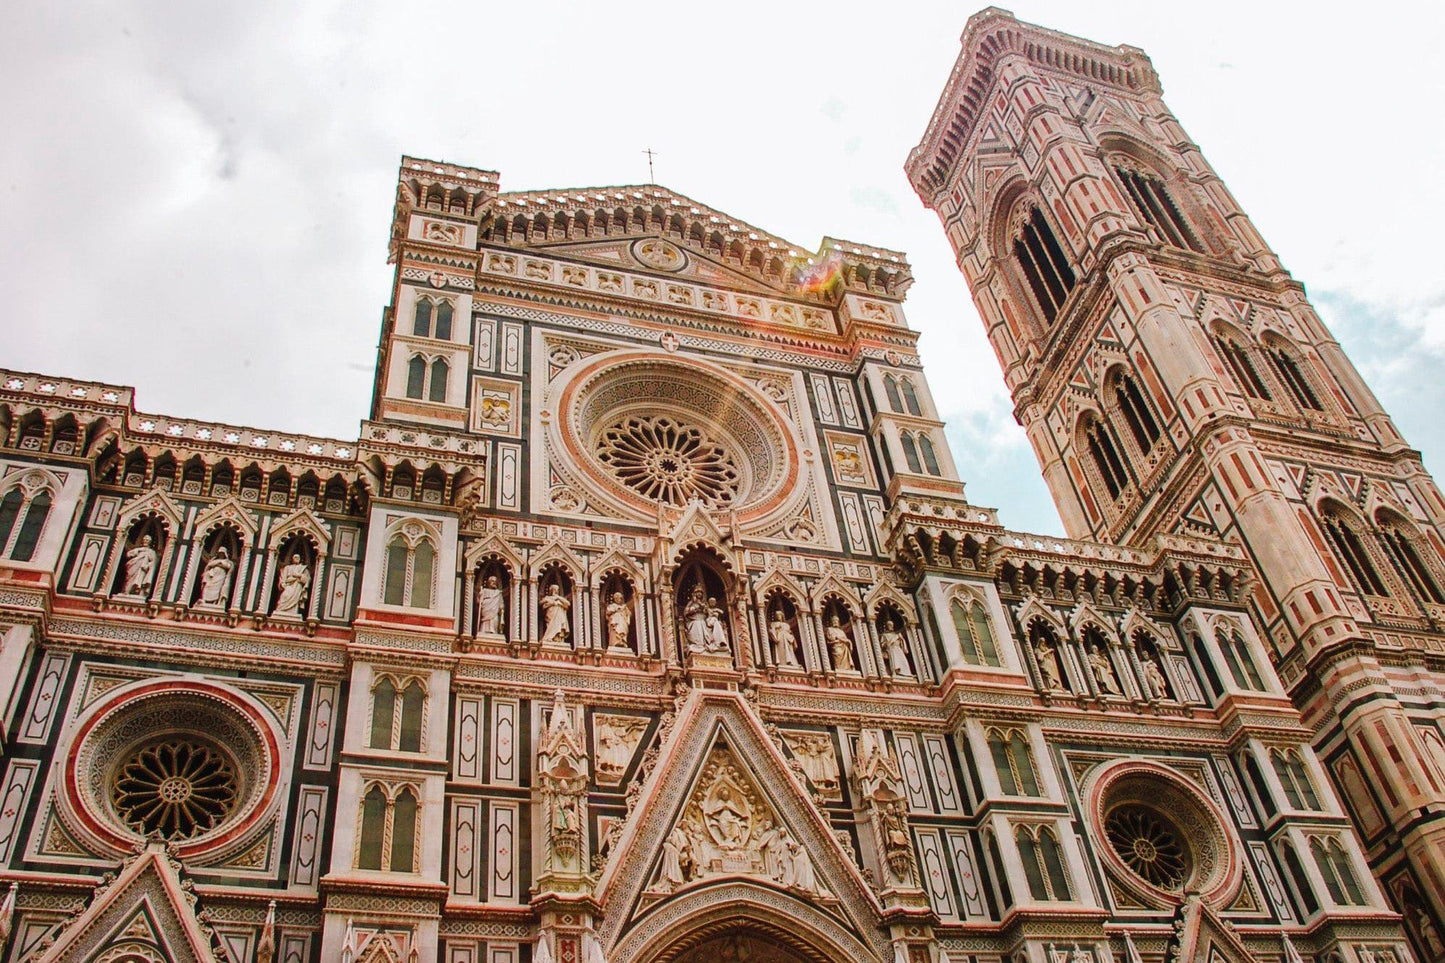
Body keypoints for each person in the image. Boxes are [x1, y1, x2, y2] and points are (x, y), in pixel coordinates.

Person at [682, 585, 709, 652]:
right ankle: (698, 644)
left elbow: (708, 612)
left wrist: (705, 609)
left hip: (703, 620)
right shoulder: (691, 603)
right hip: (694, 620)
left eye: (700, 592)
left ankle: (706, 644)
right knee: (697, 624)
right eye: (697, 592)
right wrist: (693, 610)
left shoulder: (704, 603)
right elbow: (685, 612)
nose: (699, 594)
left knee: (703, 624)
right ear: (694, 593)